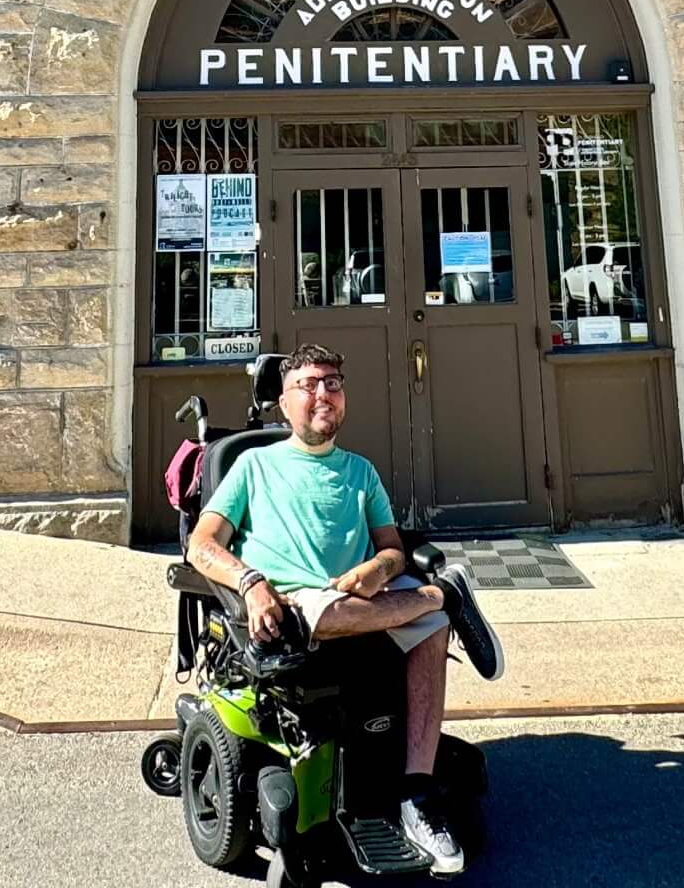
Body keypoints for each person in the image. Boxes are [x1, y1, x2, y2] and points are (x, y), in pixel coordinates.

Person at [186, 342, 504, 876]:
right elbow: (201, 545)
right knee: (343, 613)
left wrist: (377, 571)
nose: (322, 394)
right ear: (284, 403)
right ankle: (444, 593)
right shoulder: (251, 466)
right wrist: (252, 583)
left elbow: (392, 547)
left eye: (332, 383)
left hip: (361, 599)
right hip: (294, 602)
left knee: (430, 631)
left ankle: (417, 794)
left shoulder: (361, 472)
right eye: (307, 385)